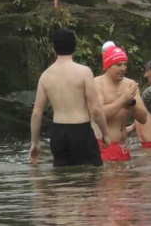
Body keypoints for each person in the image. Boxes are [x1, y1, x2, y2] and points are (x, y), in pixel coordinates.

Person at [29, 29, 110, 167]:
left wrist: (34, 143)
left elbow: (37, 113)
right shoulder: (84, 72)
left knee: (63, 181)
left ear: (54, 47)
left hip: (58, 134)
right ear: (74, 46)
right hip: (81, 131)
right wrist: (105, 134)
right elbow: (96, 109)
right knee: (91, 179)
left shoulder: (45, 76)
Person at [93, 42, 148, 161]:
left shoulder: (130, 84)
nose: (123, 68)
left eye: (124, 64)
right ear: (107, 66)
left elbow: (143, 119)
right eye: (118, 65)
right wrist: (123, 100)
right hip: (103, 145)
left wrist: (131, 103)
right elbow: (98, 114)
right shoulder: (97, 84)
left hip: (123, 147)